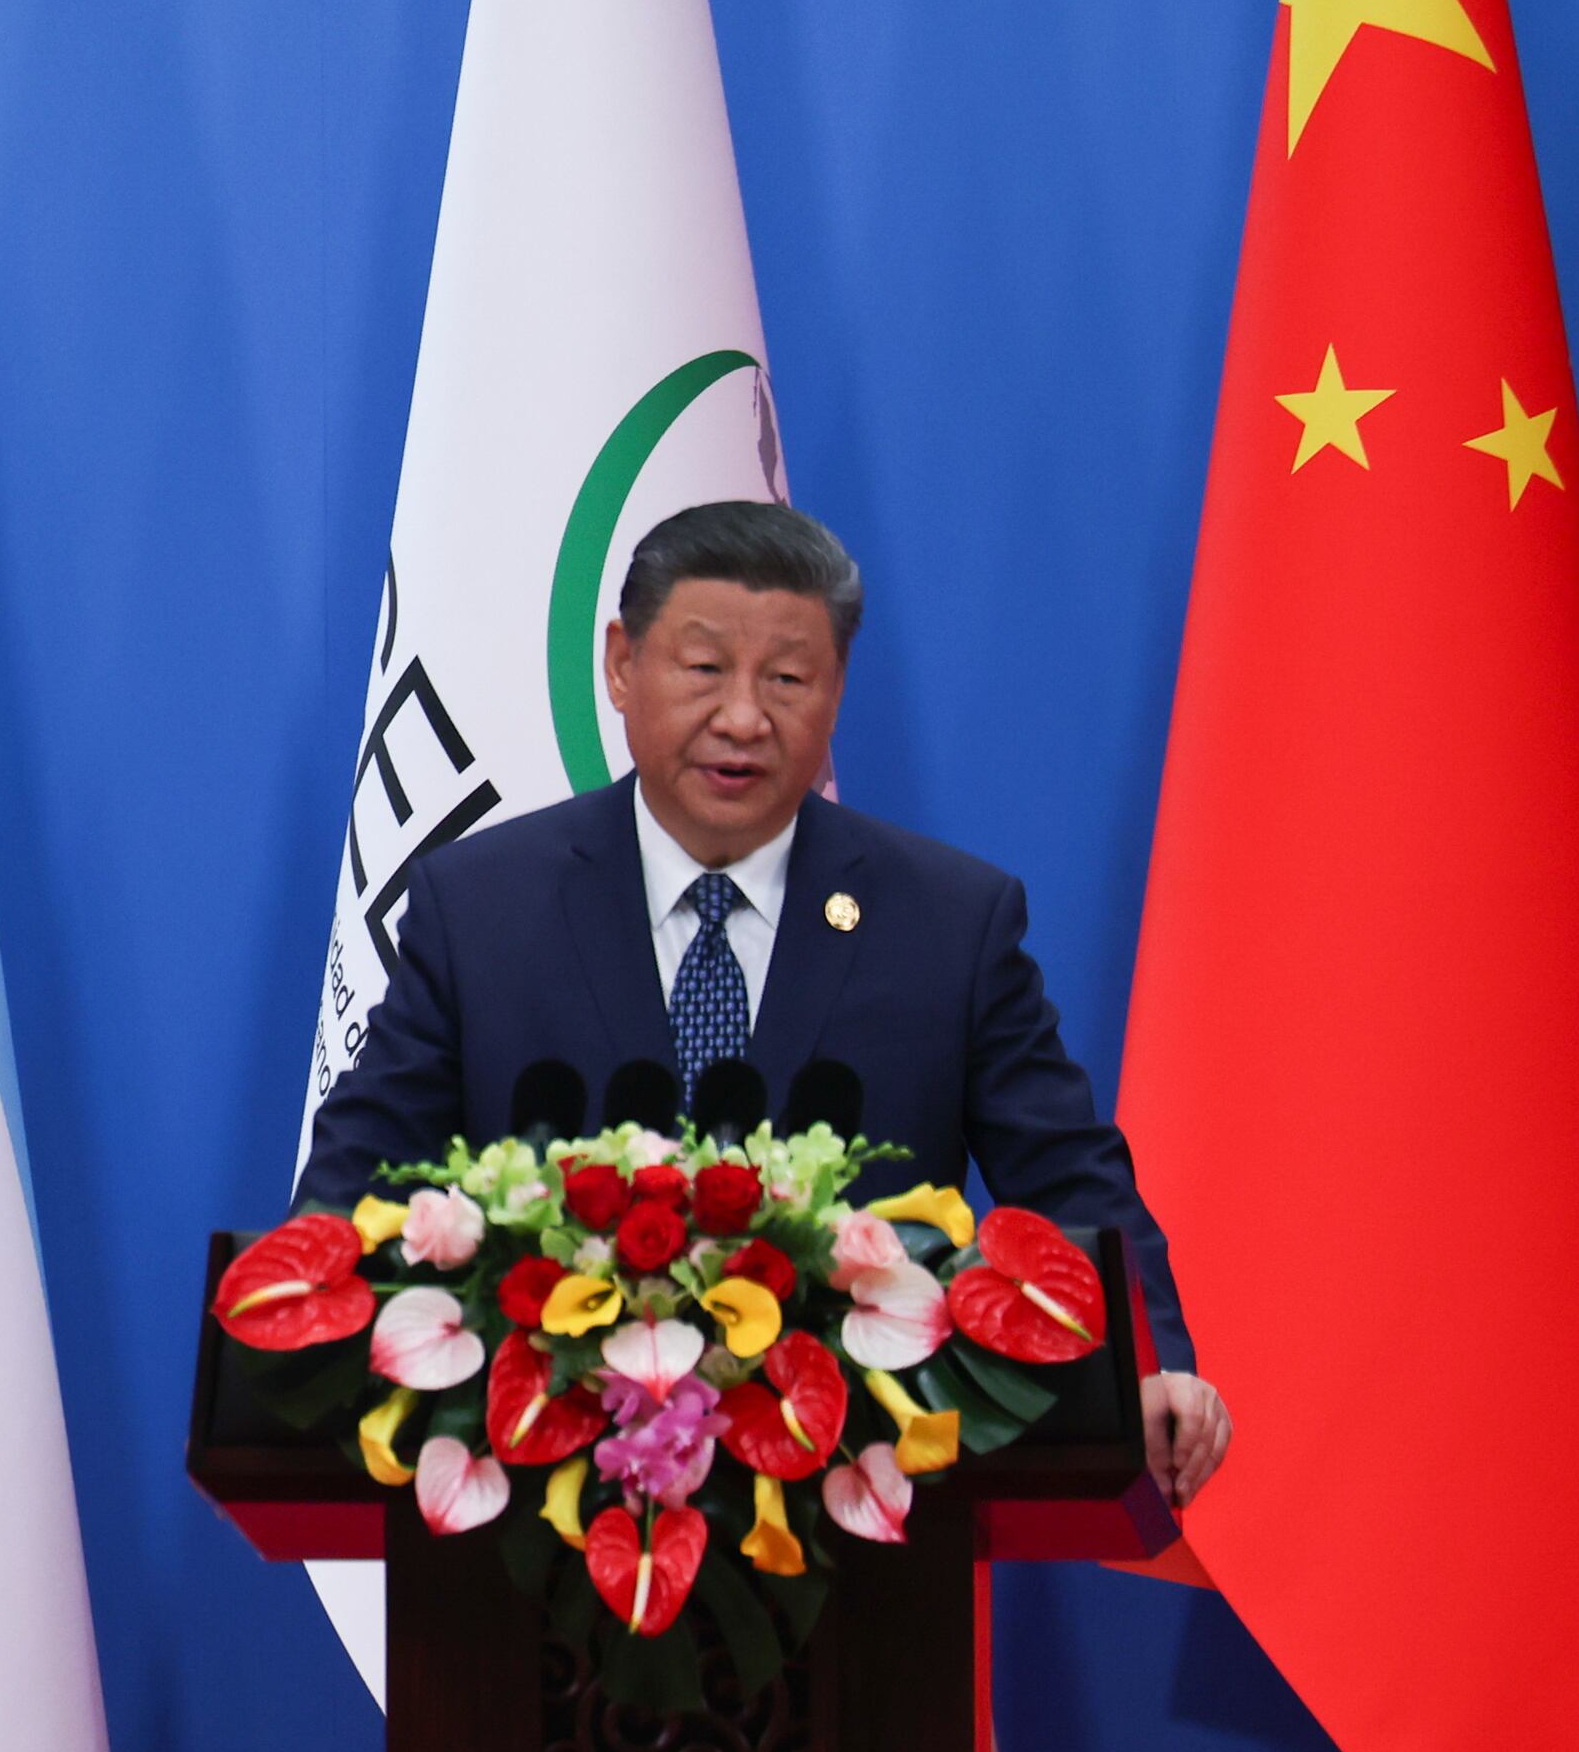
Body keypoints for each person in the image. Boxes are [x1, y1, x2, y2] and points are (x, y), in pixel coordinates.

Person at [300, 499, 1235, 1506]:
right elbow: (361, 1171)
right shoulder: (481, 908)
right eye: (702, 669)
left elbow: (1067, 1179)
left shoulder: (948, 923)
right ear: (620, 664)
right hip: (542, 1509)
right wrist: (296, 1326)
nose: (743, 717)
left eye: (787, 679)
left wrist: (1145, 1363)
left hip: (861, 1512)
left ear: (834, 693)